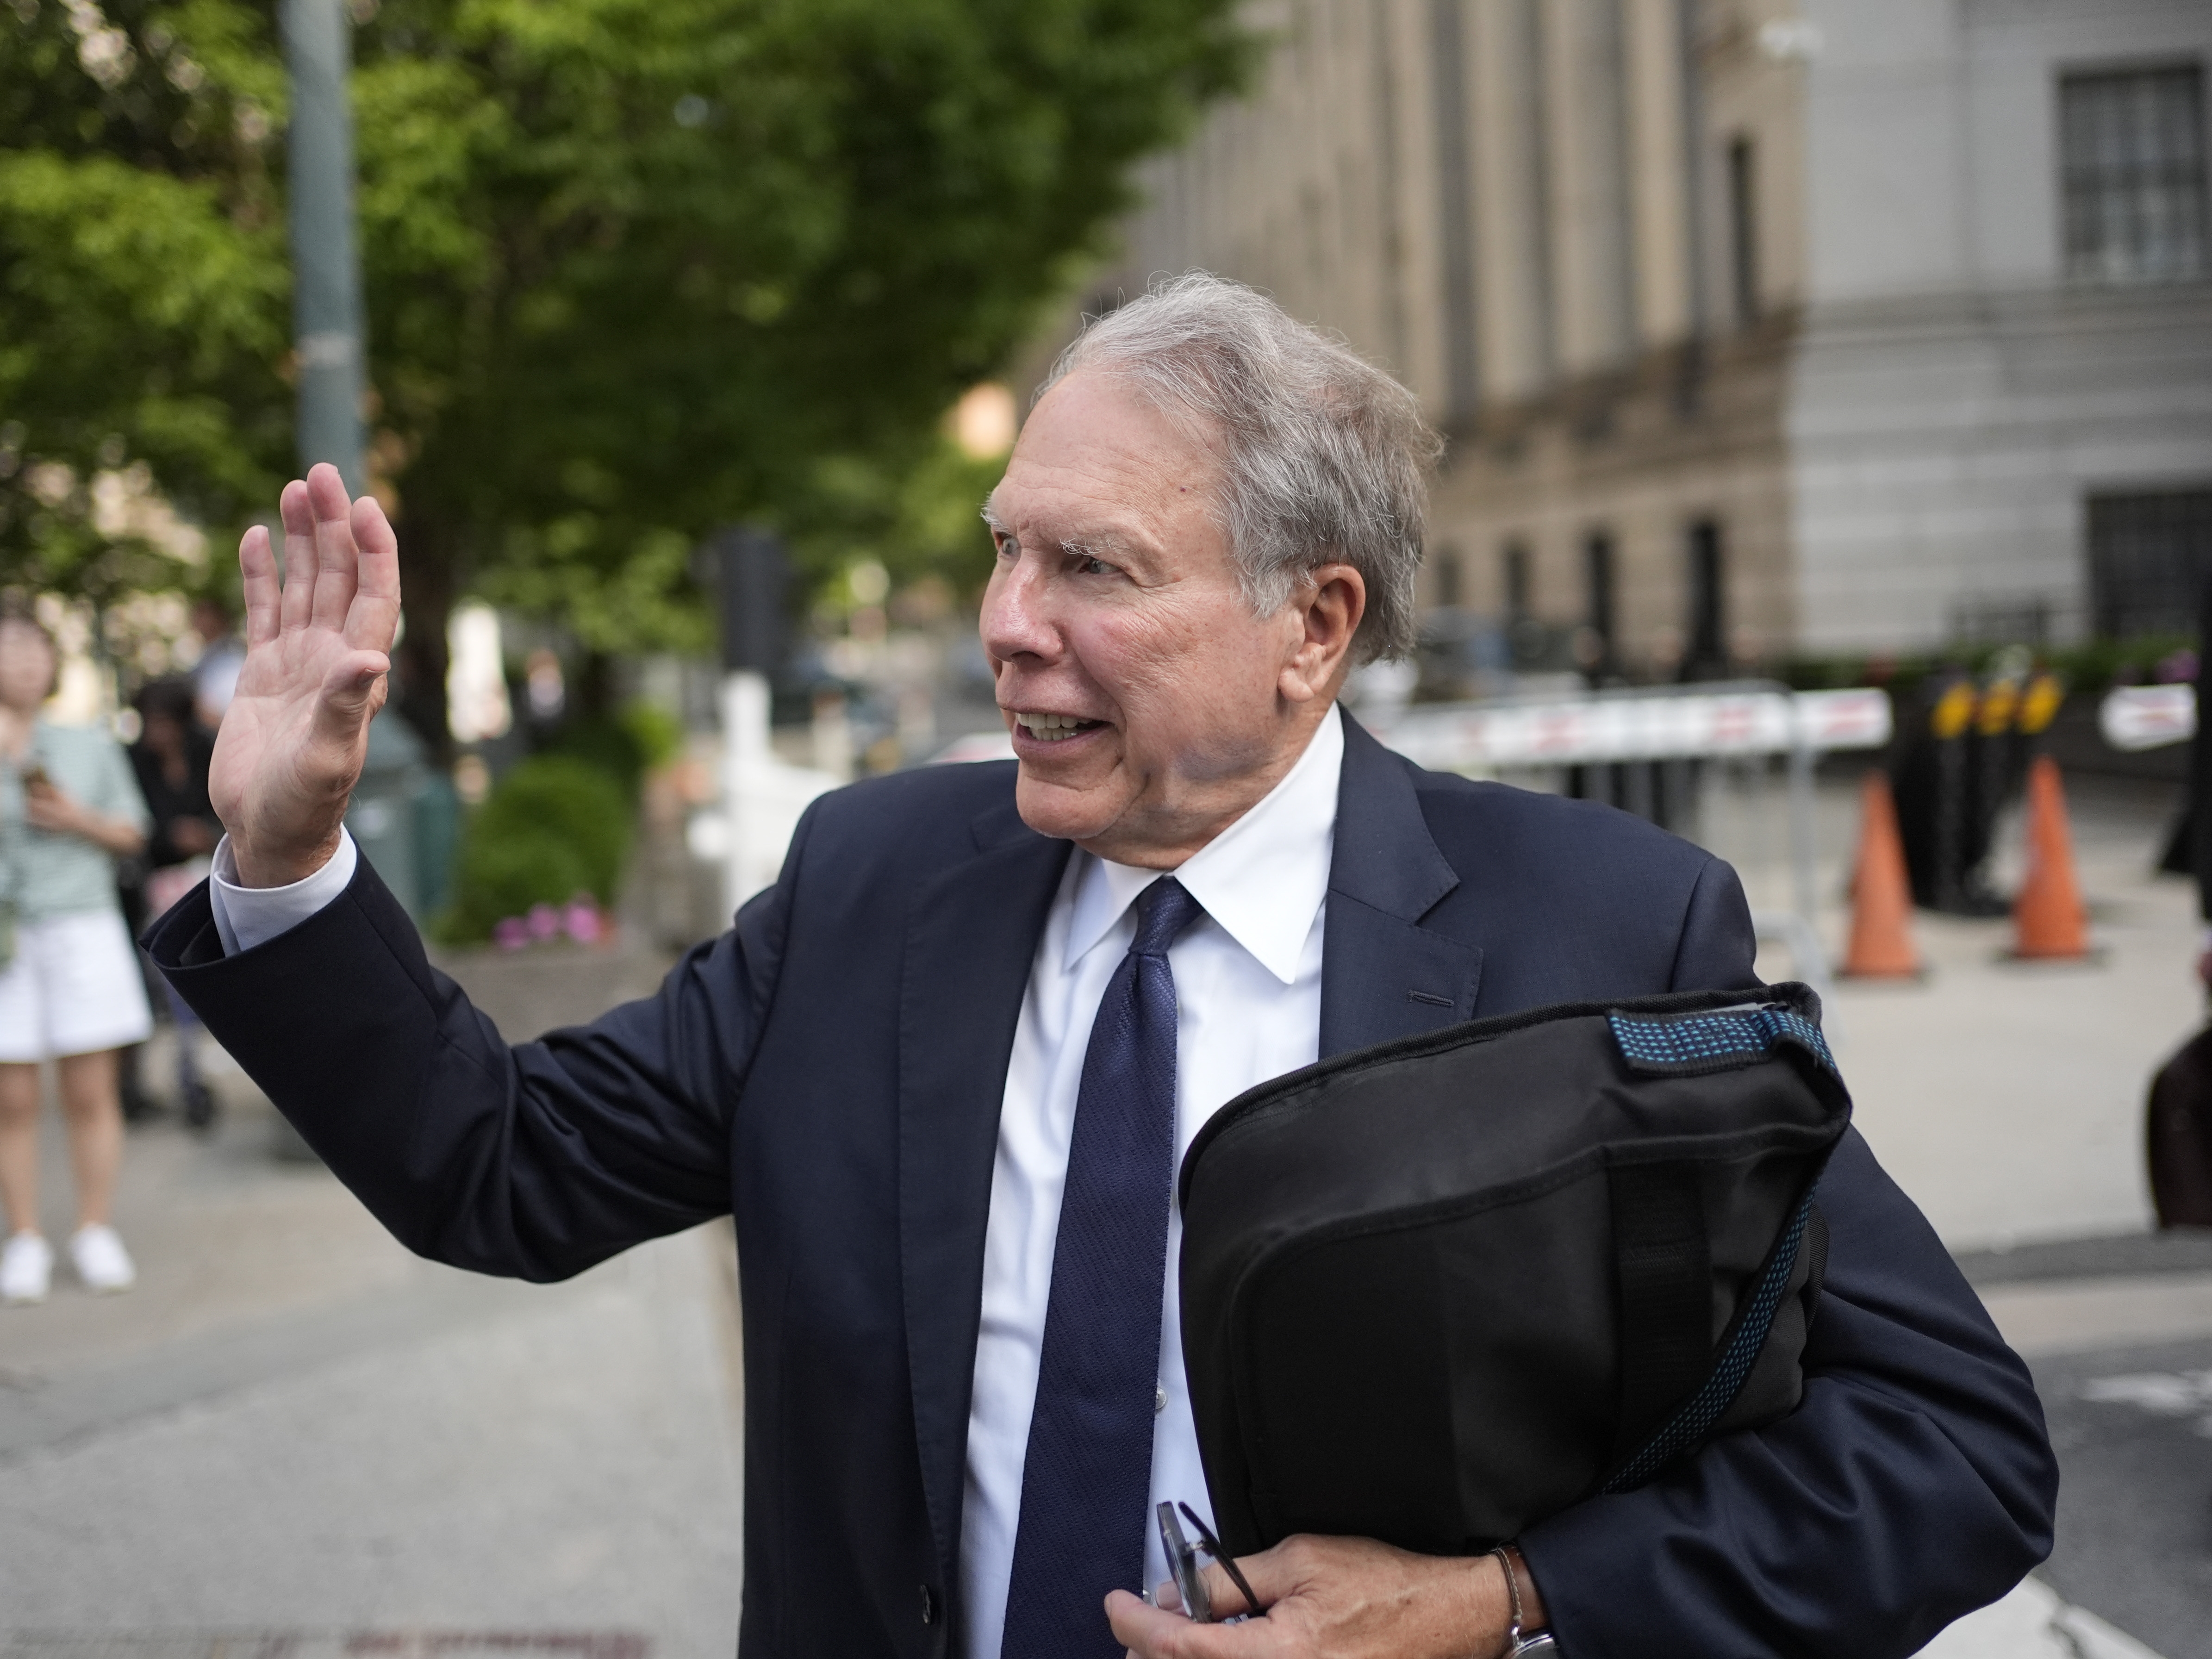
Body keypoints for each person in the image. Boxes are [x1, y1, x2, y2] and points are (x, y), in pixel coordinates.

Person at [149, 275, 2056, 1658]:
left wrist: (1503, 1598)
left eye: (1093, 569)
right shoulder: (872, 880)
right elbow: (497, 1161)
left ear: (1313, 624)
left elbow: (1947, 1448)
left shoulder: (1599, 929)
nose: (1005, 628)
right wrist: (289, 850)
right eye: (1002, 556)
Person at [0, 614, 154, 1304]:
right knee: (12, 1096)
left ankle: (95, 1228)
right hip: (8, 935)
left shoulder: (86, 743)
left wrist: (73, 818)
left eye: (35, 648)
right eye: (8, 649)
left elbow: (131, 832)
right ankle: (25, 1236)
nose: (24, 662)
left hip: (83, 926)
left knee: (90, 1090)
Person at [127, 676, 223, 1129]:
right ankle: (184, 1074)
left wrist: (207, 834)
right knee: (169, 986)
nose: (156, 732)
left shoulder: (209, 749)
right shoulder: (134, 761)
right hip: (157, 885)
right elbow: (135, 826)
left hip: (212, 874)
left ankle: (196, 1068)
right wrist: (169, 837)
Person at [189, 594, 246, 731]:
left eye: (205, 614)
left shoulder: (229, 656)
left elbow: (222, 709)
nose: (199, 620)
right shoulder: (207, 655)